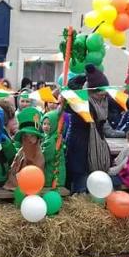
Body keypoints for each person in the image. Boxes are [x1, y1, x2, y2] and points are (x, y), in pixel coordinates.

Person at [65, 65, 111, 193]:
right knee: (80, 179)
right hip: (79, 144)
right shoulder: (81, 100)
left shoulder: (105, 100)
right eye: (100, 91)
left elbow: (124, 102)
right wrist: (84, 77)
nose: (103, 93)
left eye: (105, 90)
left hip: (98, 144)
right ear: (92, 90)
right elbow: (71, 89)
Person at [4, 108, 44, 190]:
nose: (29, 140)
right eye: (25, 136)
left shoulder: (38, 157)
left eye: (32, 136)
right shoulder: (21, 153)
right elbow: (14, 169)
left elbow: (36, 177)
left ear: (37, 138)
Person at [41, 110, 66, 189]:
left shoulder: (53, 140)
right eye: (44, 124)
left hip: (54, 176)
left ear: (55, 125)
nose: (46, 126)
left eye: (49, 124)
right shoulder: (48, 136)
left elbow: (45, 156)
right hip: (51, 173)